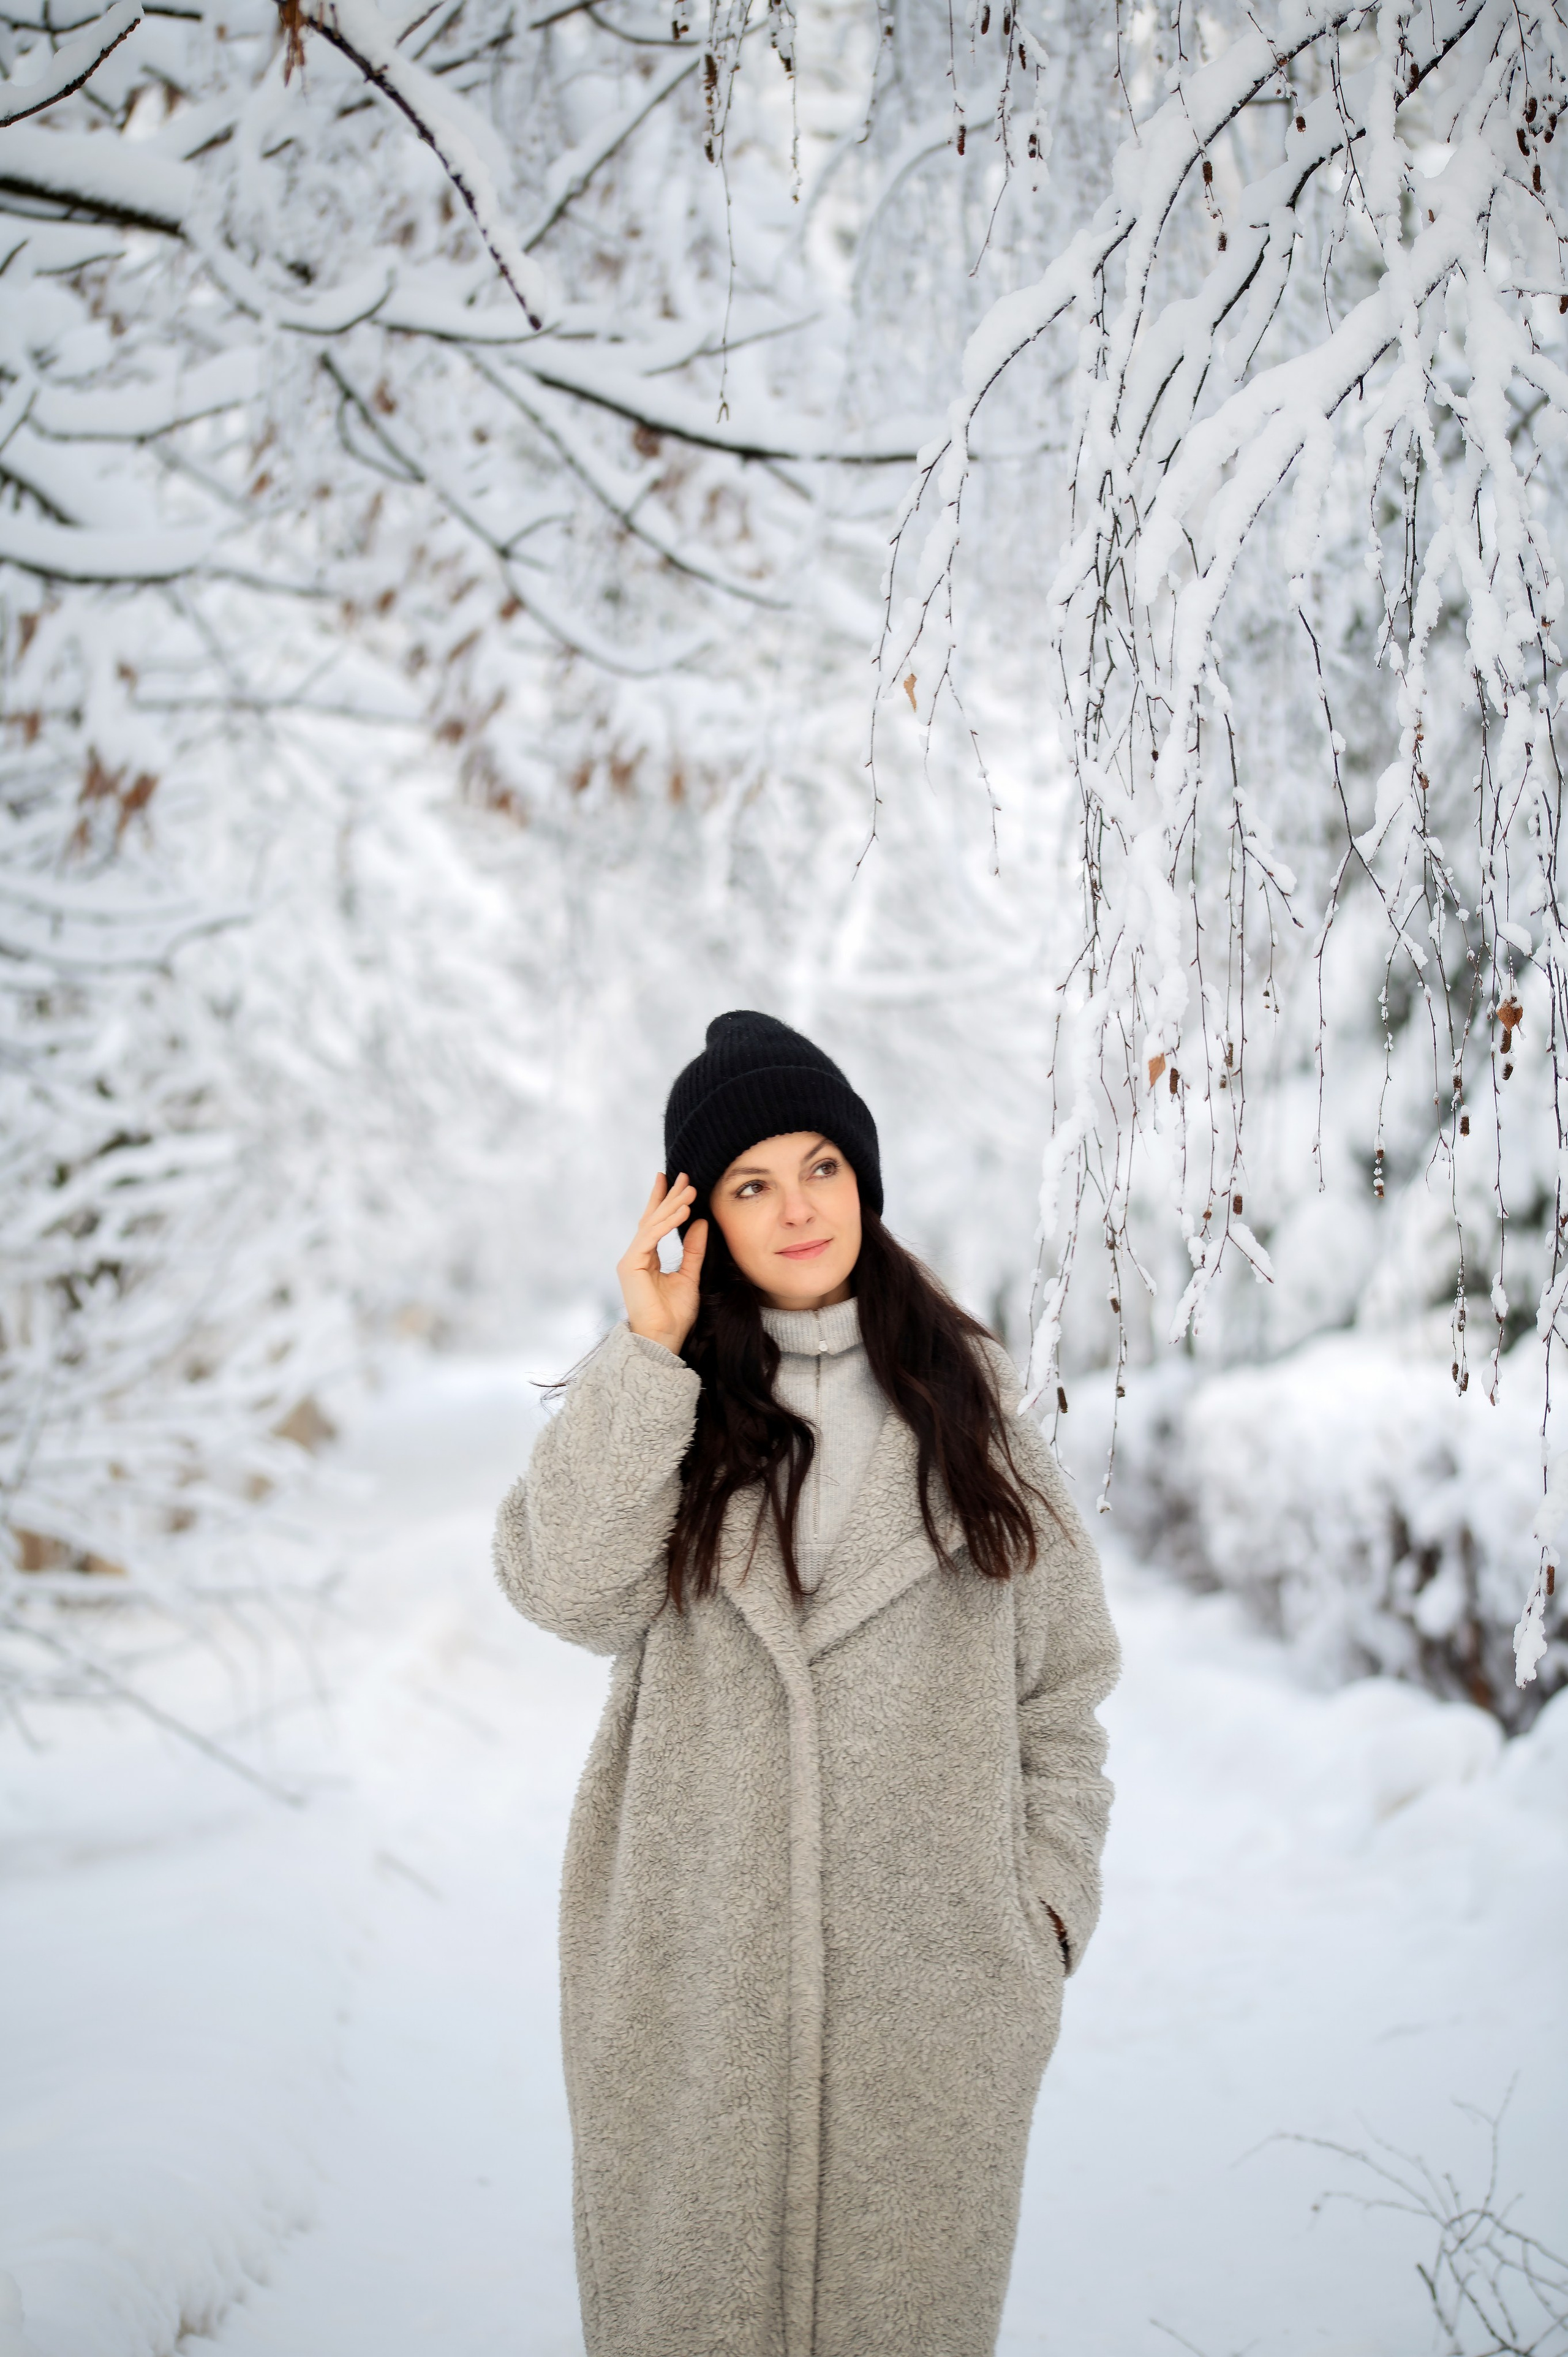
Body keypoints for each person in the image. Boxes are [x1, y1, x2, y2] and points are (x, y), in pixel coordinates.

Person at [494, 1010, 1119, 2357]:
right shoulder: (669, 1407)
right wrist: (646, 1355)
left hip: (933, 2018)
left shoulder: (978, 1407)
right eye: (749, 1183)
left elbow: (1061, 1690)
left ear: (863, 1178)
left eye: (820, 1166)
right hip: (688, 2007)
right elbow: (561, 1589)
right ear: (701, 1214)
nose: (796, 1208)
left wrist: (1042, 1918)